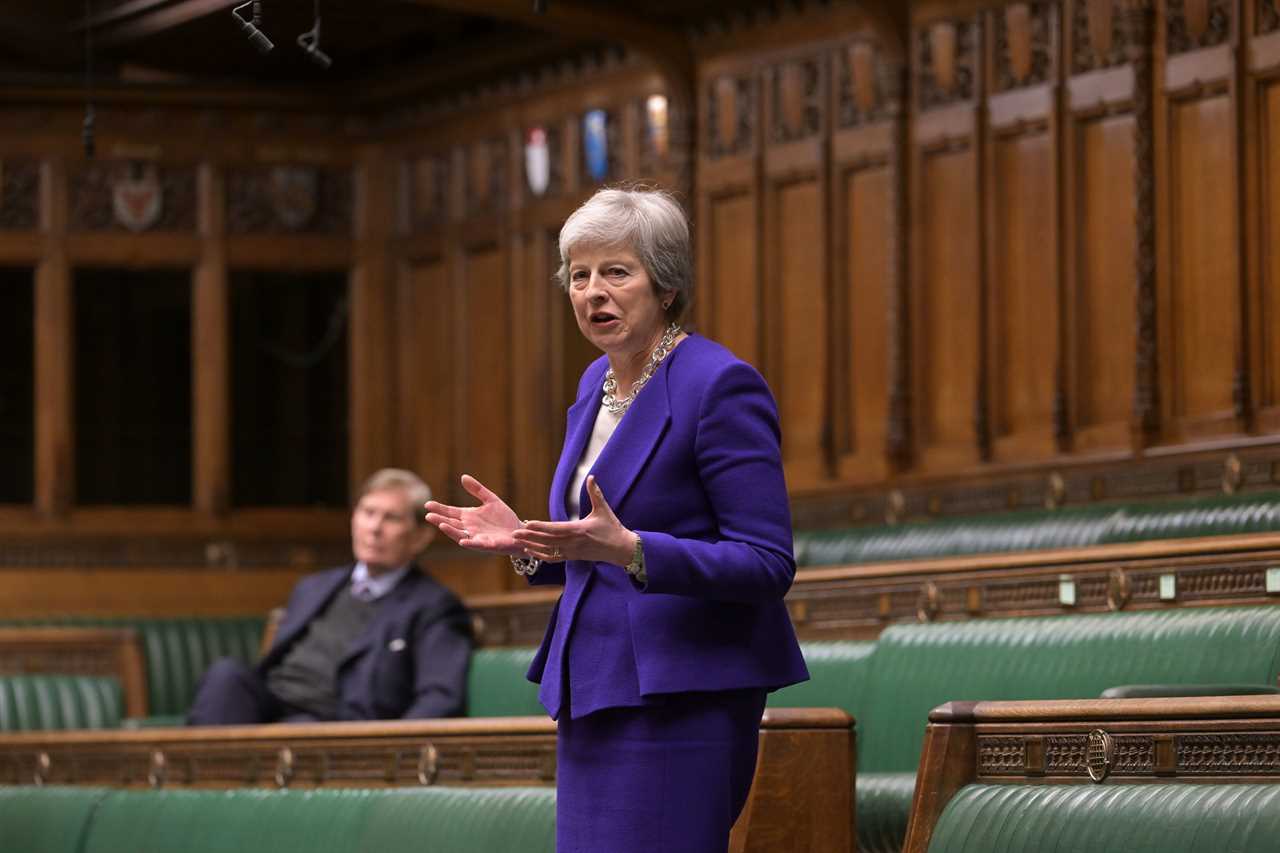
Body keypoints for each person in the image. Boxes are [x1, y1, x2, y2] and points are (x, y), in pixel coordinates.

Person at [425, 187, 809, 852]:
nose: (592, 292)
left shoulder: (718, 384)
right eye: (579, 275)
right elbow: (591, 548)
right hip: (593, 686)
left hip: (684, 692)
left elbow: (767, 563)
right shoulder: (592, 386)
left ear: (664, 285)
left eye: (616, 271)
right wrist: (527, 540)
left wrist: (636, 550)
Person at [187, 468, 473, 725]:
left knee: (299, 730)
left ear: (420, 537)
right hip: (270, 706)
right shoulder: (313, 587)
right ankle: (195, 782)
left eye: (391, 518)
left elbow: (440, 698)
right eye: (368, 512)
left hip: (334, 727)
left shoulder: (435, 606)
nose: (374, 528)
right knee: (226, 676)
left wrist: (388, 756)